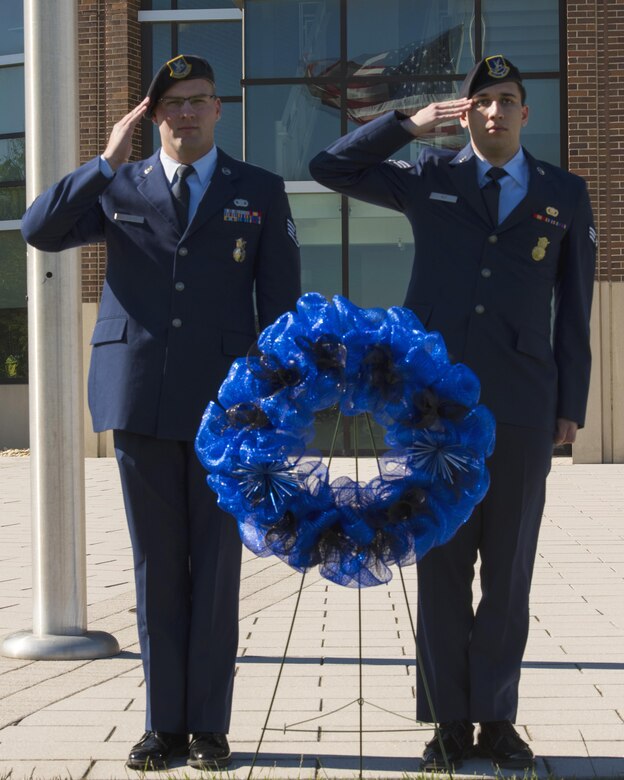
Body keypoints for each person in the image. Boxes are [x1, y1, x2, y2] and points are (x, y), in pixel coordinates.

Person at [309, 54, 595, 771]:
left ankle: (496, 720)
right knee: (440, 564)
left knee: (509, 570)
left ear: (526, 113)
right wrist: (406, 125)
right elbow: (330, 168)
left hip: (525, 405)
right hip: (432, 407)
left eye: (506, 101)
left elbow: (576, 312)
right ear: (463, 114)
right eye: (480, 103)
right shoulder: (429, 176)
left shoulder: (564, 192)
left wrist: (571, 403)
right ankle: (447, 724)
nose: (493, 112)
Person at [22, 54, 301, 771]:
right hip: (139, 393)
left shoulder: (259, 190)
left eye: (198, 101)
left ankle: (208, 728)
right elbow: (39, 228)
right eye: (171, 103)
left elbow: (281, 310)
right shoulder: (121, 186)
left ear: (218, 108)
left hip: (226, 409)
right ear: (153, 115)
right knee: (153, 568)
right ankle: (161, 727)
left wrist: (276, 407)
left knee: (213, 570)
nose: (185, 113)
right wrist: (105, 158)